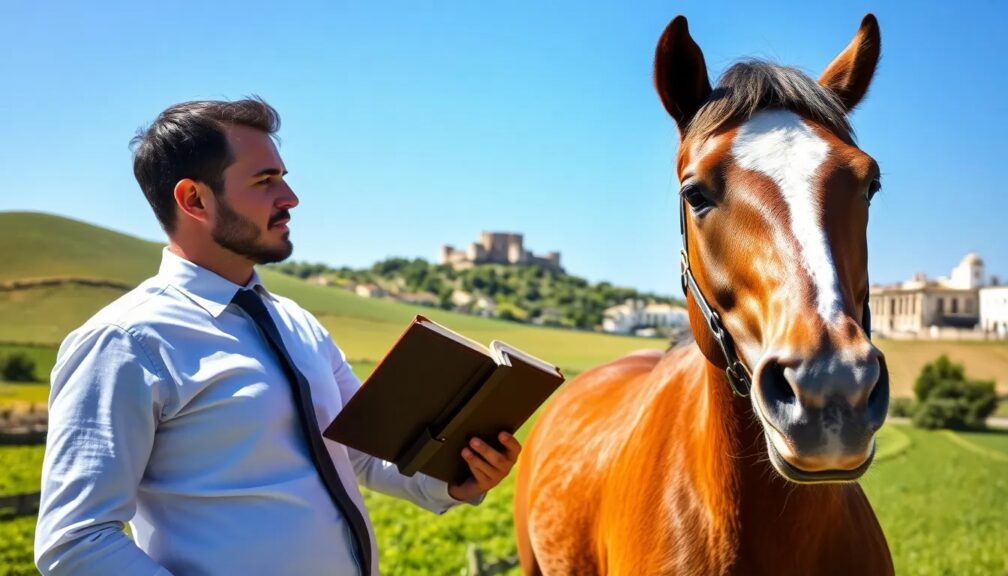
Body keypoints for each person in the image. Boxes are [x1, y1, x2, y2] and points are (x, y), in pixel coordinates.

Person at [34, 97, 521, 576]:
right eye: (265, 181)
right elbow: (75, 541)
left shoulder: (300, 324)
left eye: (283, 178)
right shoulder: (124, 342)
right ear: (194, 200)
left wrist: (457, 479)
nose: (290, 198)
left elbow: (365, 455)